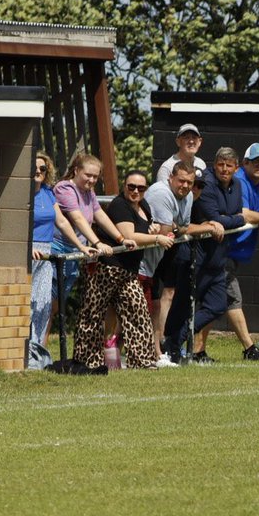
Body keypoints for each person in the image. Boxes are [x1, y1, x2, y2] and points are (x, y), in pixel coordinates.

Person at [169, 147, 259, 364]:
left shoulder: (236, 185)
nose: (224, 169)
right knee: (182, 304)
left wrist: (232, 218)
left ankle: (176, 340)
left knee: (217, 305)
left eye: (229, 165)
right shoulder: (207, 184)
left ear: (235, 167)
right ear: (214, 165)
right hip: (197, 255)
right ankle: (171, 346)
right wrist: (235, 218)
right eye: (220, 164)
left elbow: (230, 218)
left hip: (219, 256)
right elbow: (217, 217)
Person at [72, 171, 166, 371]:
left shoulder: (144, 206)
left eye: (141, 188)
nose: (135, 191)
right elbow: (128, 235)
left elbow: (143, 230)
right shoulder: (119, 206)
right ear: (124, 186)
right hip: (108, 267)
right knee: (93, 313)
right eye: (131, 186)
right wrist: (157, 239)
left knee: (138, 311)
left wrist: (153, 229)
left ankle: (142, 360)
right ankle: (87, 360)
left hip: (128, 271)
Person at [144, 160, 213, 366]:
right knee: (132, 307)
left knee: (153, 305)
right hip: (139, 256)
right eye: (181, 181)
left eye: (190, 183)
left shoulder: (189, 195)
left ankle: (156, 352)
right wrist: (180, 227)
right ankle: (114, 350)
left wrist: (178, 227)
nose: (185, 186)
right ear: (170, 178)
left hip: (157, 257)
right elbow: (167, 231)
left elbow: (180, 227)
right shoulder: (161, 193)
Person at [214, 142, 259, 361]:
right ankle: (250, 348)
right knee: (230, 299)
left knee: (215, 302)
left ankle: (194, 349)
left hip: (237, 252)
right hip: (222, 249)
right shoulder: (239, 180)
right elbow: (242, 213)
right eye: (256, 162)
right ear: (244, 163)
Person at [28, 151, 91, 370]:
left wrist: (81, 245)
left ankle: (36, 354)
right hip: (30, 252)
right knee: (27, 304)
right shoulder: (22, 194)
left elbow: (63, 222)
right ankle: (24, 352)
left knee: (44, 305)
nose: (38, 172)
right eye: (34, 168)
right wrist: (28, 247)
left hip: (47, 255)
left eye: (42, 169)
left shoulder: (47, 193)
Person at [50, 153, 125, 311]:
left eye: (95, 177)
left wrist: (121, 238)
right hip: (58, 249)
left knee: (56, 306)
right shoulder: (65, 188)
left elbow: (100, 215)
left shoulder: (88, 192)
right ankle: (36, 337)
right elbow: (77, 218)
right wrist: (98, 243)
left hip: (74, 251)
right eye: (88, 175)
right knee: (49, 304)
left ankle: (43, 336)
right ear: (77, 171)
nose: (91, 180)